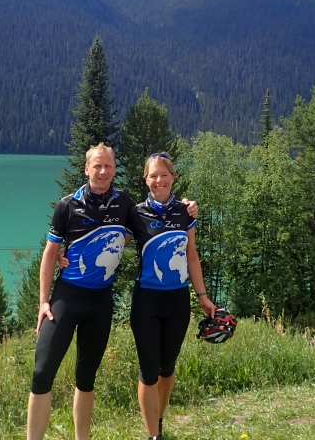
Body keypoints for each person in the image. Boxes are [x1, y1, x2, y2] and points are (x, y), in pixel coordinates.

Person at [27, 143, 197, 440]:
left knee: (86, 379)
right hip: (66, 297)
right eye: (97, 166)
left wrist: (186, 208)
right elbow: (49, 253)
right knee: (42, 373)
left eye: (108, 166)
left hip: (100, 301)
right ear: (87, 169)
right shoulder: (67, 205)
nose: (103, 171)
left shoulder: (125, 204)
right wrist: (43, 301)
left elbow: (149, 226)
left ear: (114, 169)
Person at [127, 152, 217, 440]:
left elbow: (191, 257)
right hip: (146, 301)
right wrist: (70, 253)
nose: (158, 180)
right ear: (146, 180)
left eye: (164, 174)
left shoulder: (184, 212)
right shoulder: (136, 213)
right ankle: (153, 435)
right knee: (148, 371)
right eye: (153, 175)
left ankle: (159, 418)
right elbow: (114, 239)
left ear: (173, 177)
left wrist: (202, 296)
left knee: (167, 370)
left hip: (178, 300)